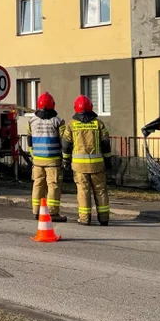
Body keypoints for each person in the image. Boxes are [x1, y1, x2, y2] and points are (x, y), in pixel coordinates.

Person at [60, 95, 111, 226]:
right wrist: (108, 160)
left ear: (76, 108)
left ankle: (84, 218)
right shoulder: (98, 123)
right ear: (91, 107)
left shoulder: (71, 125)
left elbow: (65, 145)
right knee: (100, 190)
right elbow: (105, 144)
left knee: (83, 191)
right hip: (97, 165)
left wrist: (66, 160)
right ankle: (104, 217)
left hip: (79, 166)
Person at [28, 92, 67, 222]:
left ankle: (36, 211)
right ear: (53, 105)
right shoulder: (58, 121)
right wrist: (65, 157)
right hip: (53, 160)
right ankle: (53, 213)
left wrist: (32, 153)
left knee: (37, 185)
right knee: (53, 185)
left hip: (37, 159)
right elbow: (64, 140)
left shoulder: (32, 120)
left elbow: (29, 139)